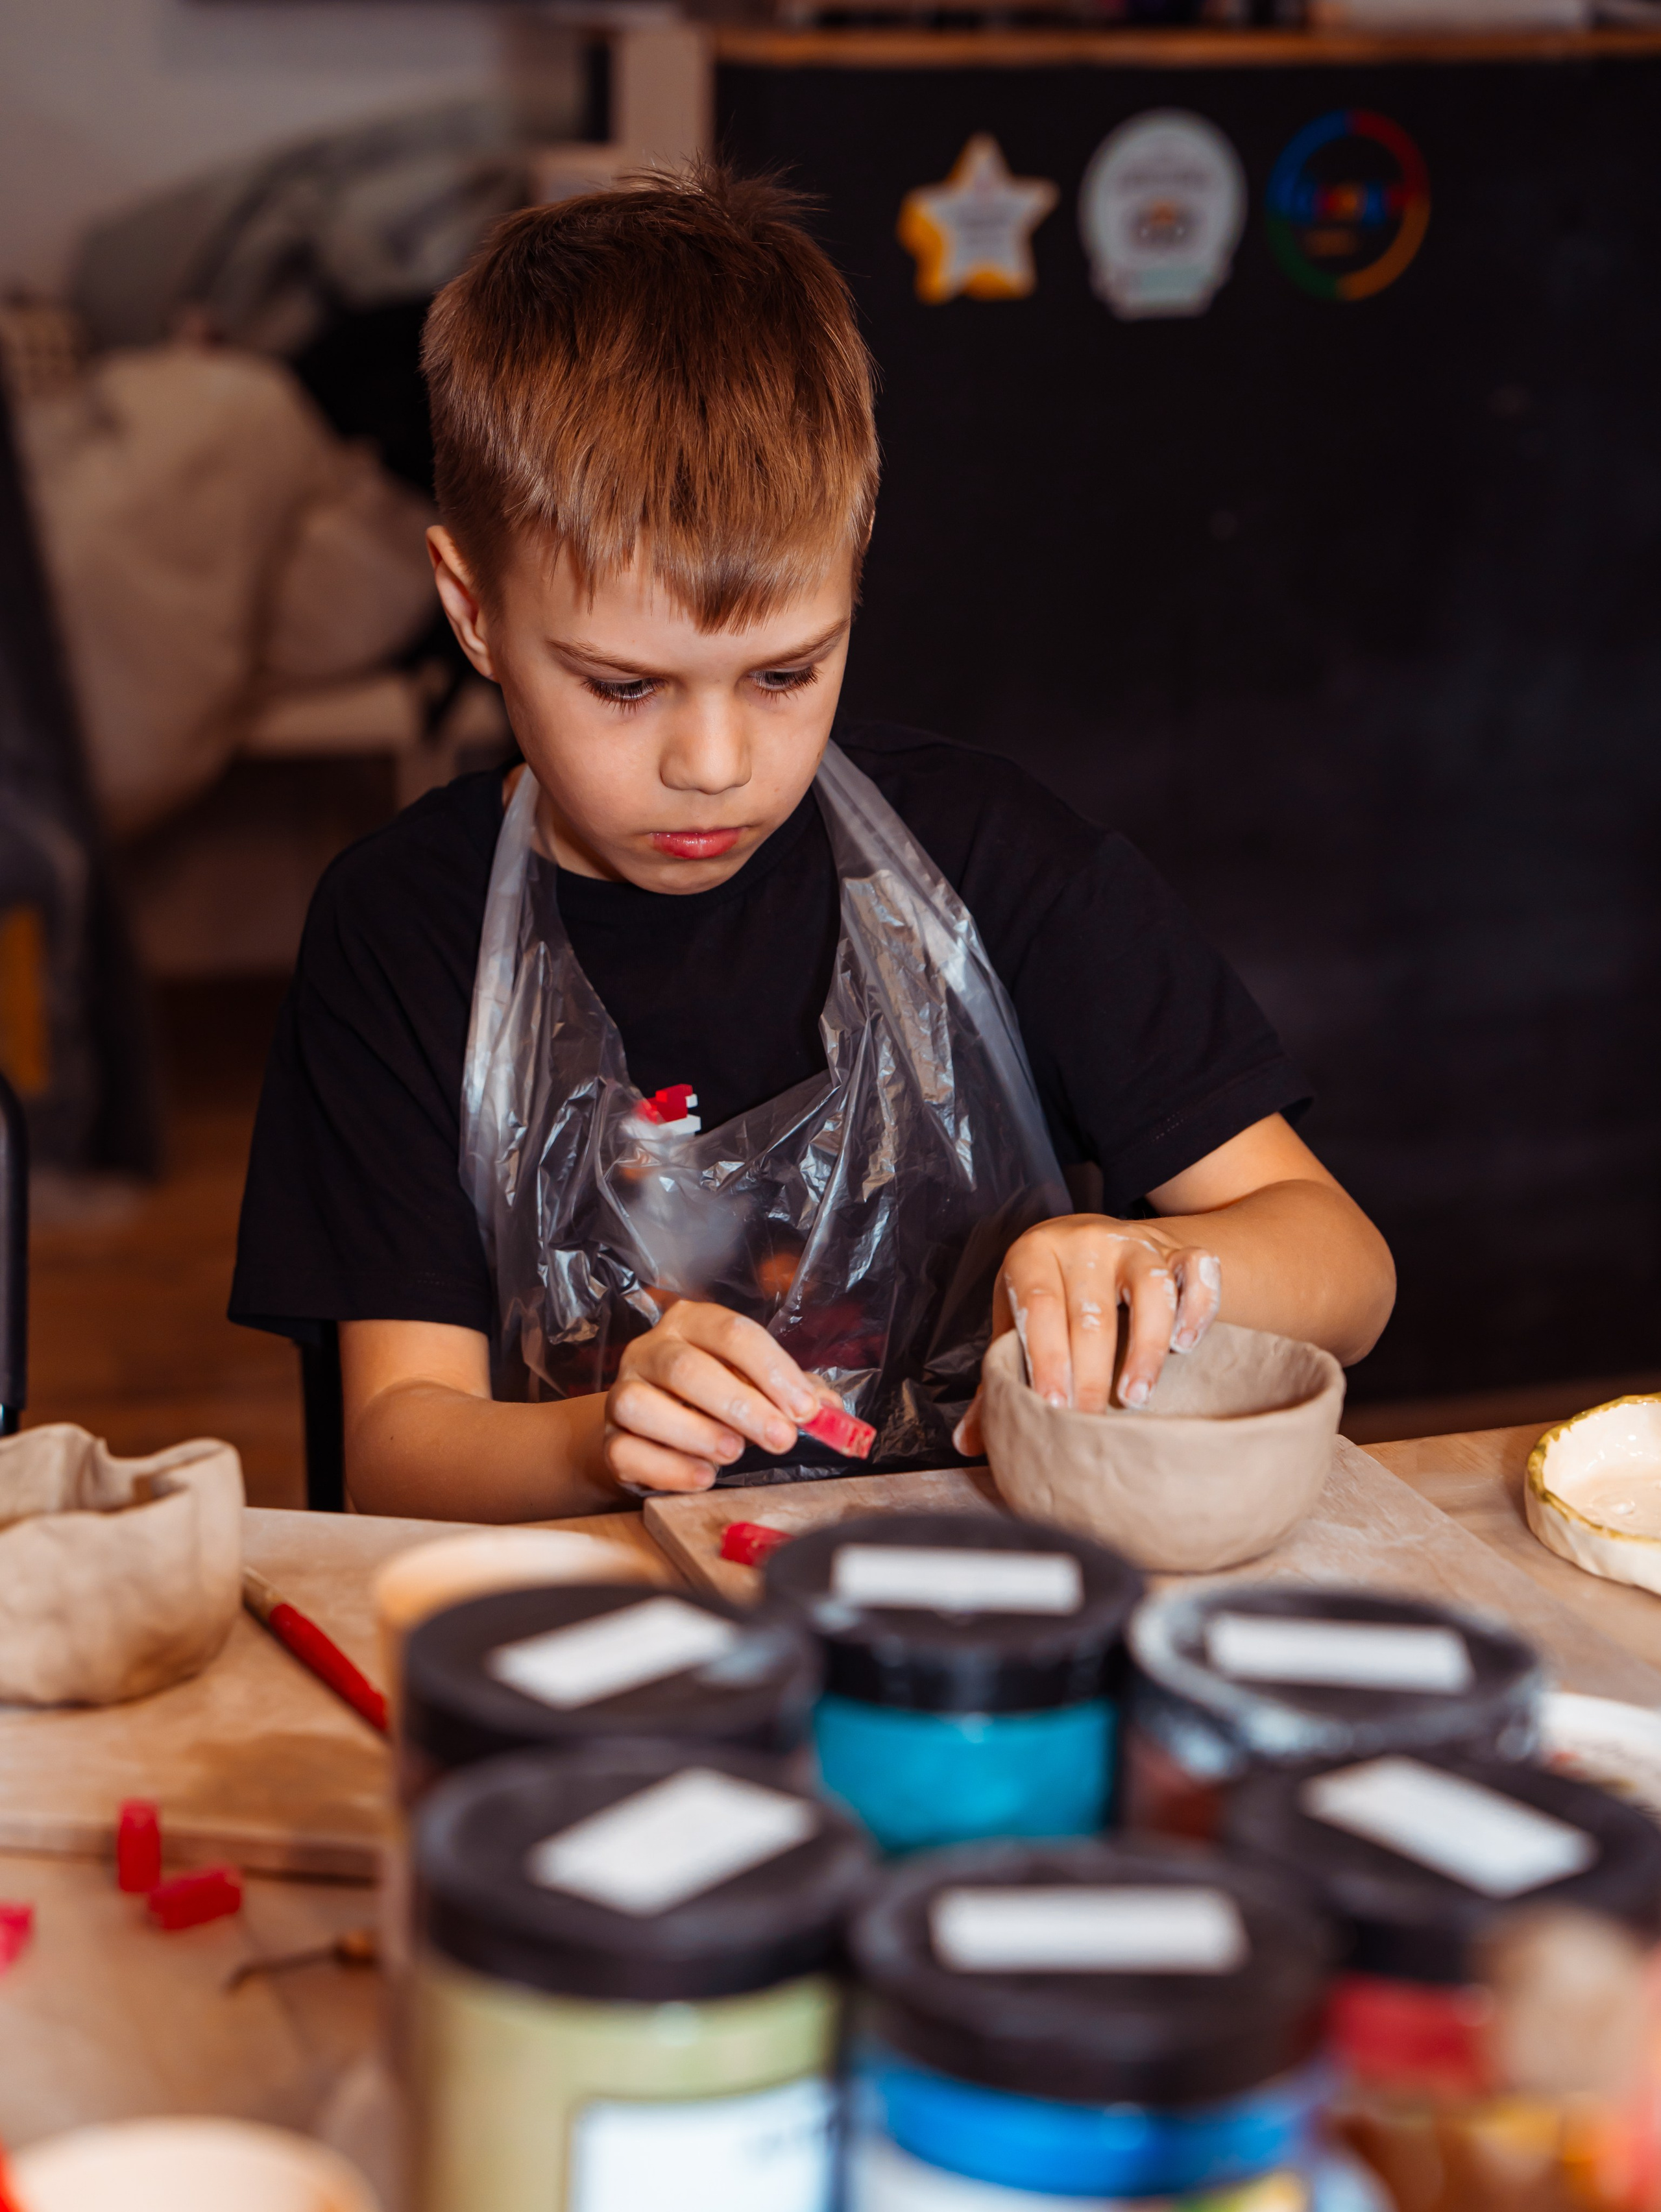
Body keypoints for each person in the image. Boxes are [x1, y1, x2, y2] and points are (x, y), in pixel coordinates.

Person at [230, 165, 1394, 1521]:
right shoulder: (403, 930)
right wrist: (601, 1433)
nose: (712, 763)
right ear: (473, 608)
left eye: (785, 673)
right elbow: (396, 1445)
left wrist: (1140, 1255)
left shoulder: (988, 859)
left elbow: (1344, 1270)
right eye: (622, 686)